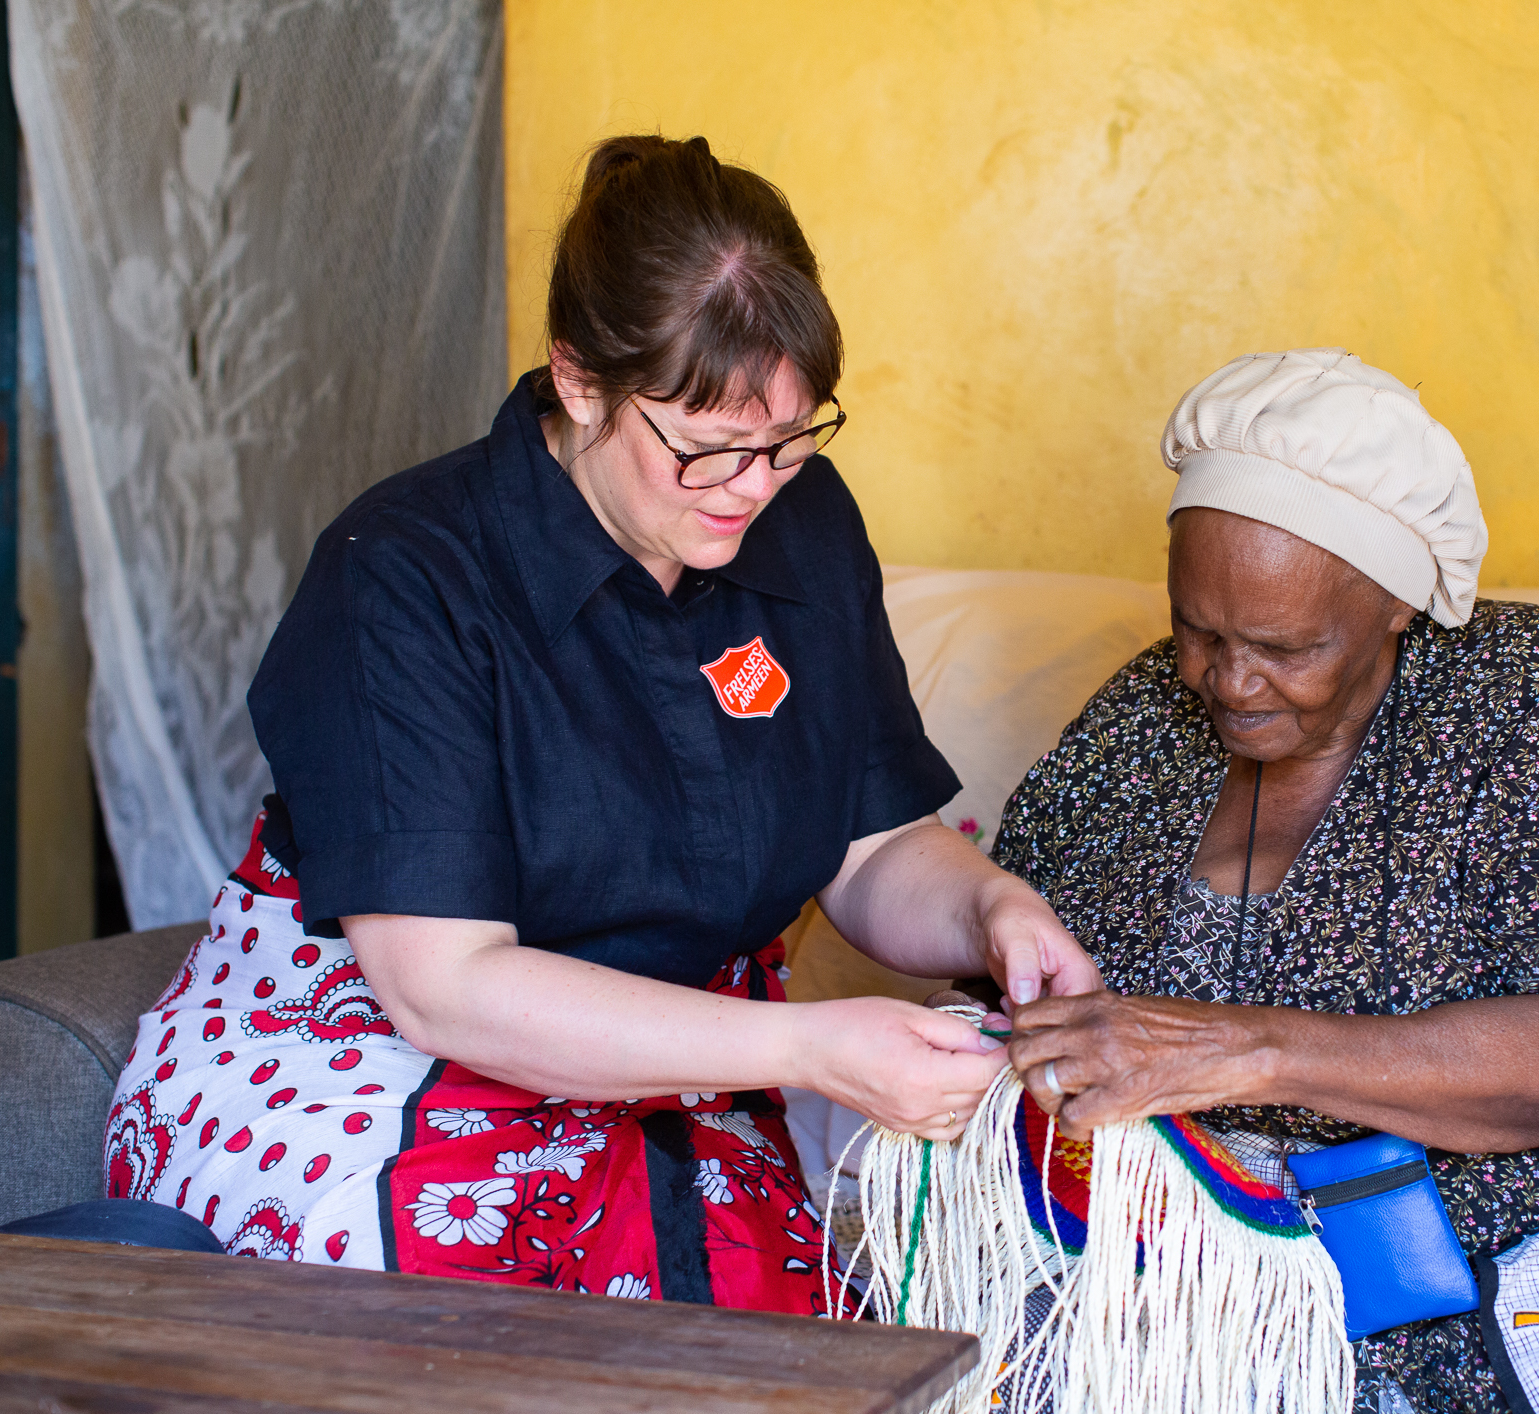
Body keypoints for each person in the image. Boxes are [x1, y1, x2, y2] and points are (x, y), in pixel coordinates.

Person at [86, 134, 1097, 1312]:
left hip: (671, 1072)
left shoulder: (804, 523)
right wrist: (810, 1047)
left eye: (788, 438)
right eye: (706, 449)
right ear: (578, 382)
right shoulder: (405, 573)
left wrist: (993, 910)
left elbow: (870, 844)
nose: (754, 486)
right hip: (365, 1058)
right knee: (473, 1349)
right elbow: (444, 987)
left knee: (788, 1364)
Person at [994, 348, 1539, 1410]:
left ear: (1397, 604)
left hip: (1464, 1250)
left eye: (1286, 646)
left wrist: (1235, 1050)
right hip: (1169, 1251)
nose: (1229, 679)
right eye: (1199, 629)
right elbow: (1010, 951)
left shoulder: (1515, 691)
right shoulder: (1145, 711)